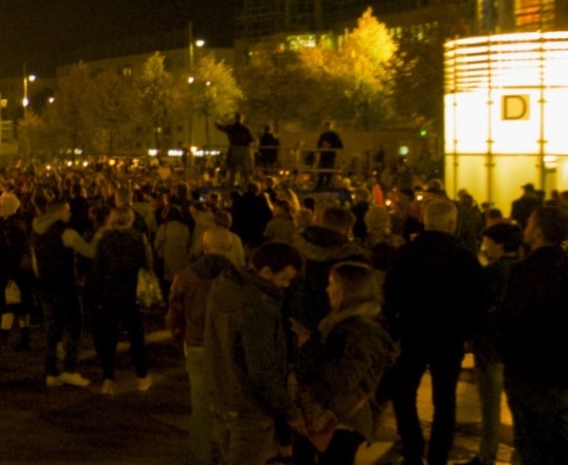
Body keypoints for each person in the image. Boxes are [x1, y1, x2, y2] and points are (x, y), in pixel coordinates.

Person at [384, 197, 486, 465]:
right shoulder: (464, 258)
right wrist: (470, 333)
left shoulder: (404, 254)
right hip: (449, 336)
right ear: (453, 224)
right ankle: (439, 453)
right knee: (445, 398)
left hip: (411, 332)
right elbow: (477, 299)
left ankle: (412, 443)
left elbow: (390, 295)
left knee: (403, 391)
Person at [500, 207, 568, 465]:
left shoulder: (523, 271)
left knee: (529, 442)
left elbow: (511, 320)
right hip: (564, 369)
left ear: (539, 232)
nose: (526, 228)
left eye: (530, 223)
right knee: (564, 440)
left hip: (527, 369)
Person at [203, 241, 303, 465]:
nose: (286, 286)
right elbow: (262, 370)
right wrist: (290, 411)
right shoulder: (258, 308)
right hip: (249, 408)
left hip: (221, 395)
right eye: (284, 279)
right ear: (266, 272)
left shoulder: (225, 288)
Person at [291, 261, 397, 465]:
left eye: (332, 283)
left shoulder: (360, 332)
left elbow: (342, 379)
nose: (327, 289)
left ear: (349, 289)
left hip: (342, 421)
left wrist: (308, 347)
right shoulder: (338, 323)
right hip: (326, 416)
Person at [167, 227, 241, 465]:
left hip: (197, 344)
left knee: (200, 406)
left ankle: (201, 456)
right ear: (229, 248)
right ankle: (230, 454)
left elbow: (175, 312)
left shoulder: (186, 276)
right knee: (227, 406)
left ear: (204, 246)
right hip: (229, 347)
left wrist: (181, 338)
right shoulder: (240, 278)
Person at [469, 222, 523, 465]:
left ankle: (487, 454)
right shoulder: (525, 271)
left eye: (488, 241)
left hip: (489, 346)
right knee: (519, 407)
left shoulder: (489, 273)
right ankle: (520, 454)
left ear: (499, 244)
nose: (485, 246)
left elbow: (476, 308)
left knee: (490, 407)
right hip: (518, 348)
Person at [32, 200, 96, 388]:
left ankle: (50, 372)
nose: (70, 214)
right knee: (75, 326)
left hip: (46, 285)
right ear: (59, 212)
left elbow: (35, 261)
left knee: (52, 329)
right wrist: (99, 237)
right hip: (65, 285)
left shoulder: (37, 231)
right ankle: (70, 369)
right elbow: (90, 252)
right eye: (68, 210)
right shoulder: (66, 232)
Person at [89, 207, 152, 393]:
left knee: (109, 337)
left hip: (110, 293)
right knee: (136, 336)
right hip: (132, 293)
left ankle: (108, 378)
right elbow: (147, 264)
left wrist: (96, 294)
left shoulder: (105, 239)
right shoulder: (139, 238)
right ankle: (142, 375)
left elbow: (97, 269)